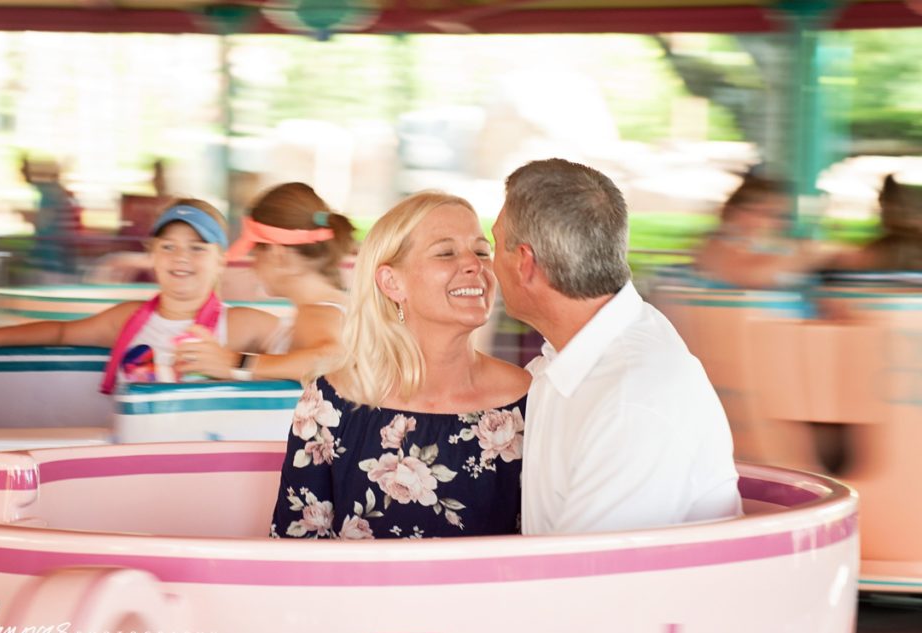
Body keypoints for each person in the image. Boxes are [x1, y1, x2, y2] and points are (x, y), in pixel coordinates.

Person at [491, 158, 741, 535]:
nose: (487, 266)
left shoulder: (632, 401)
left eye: (493, 246)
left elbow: (589, 580)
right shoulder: (580, 353)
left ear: (525, 263)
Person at [270, 191, 530, 540]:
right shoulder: (330, 403)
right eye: (446, 252)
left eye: (482, 251)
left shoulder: (528, 397)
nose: (475, 264)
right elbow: (295, 551)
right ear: (392, 282)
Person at [0, 199, 280, 391]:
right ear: (152, 254)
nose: (181, 257)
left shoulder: (241, 325)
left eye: (197, 247)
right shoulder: (127, 319)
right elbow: (59, 332)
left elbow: (317, 356)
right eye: (168, 246)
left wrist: (237, 364)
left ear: (221, 260)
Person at [226, 182, 354, 381]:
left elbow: (333, 358)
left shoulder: (317, 312)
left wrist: (235, 363)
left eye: (255, 252)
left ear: (278, 254)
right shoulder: (335, 306)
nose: (253, 265)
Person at [694, 174, 841, 289]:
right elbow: (752, 276)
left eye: (782, 216)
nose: (778, 224)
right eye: (769, 213)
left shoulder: (758, 249)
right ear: (736, 212)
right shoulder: (716, 248)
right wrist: (807, 255)